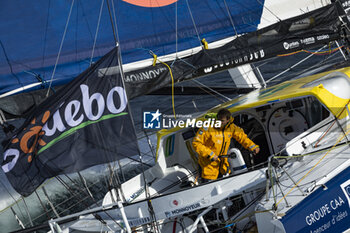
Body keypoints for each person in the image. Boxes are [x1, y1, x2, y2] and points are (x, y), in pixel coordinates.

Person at [192, 108, 260, 182]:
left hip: (223, 166)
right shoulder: (208, 128)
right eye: (218, 120)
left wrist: (253, 146)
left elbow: (242, 137)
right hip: (208, 167)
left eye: (222, 121)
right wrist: (210, 154)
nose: (219, 122)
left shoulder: (232, 127)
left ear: (228, 120)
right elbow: (196, 143)